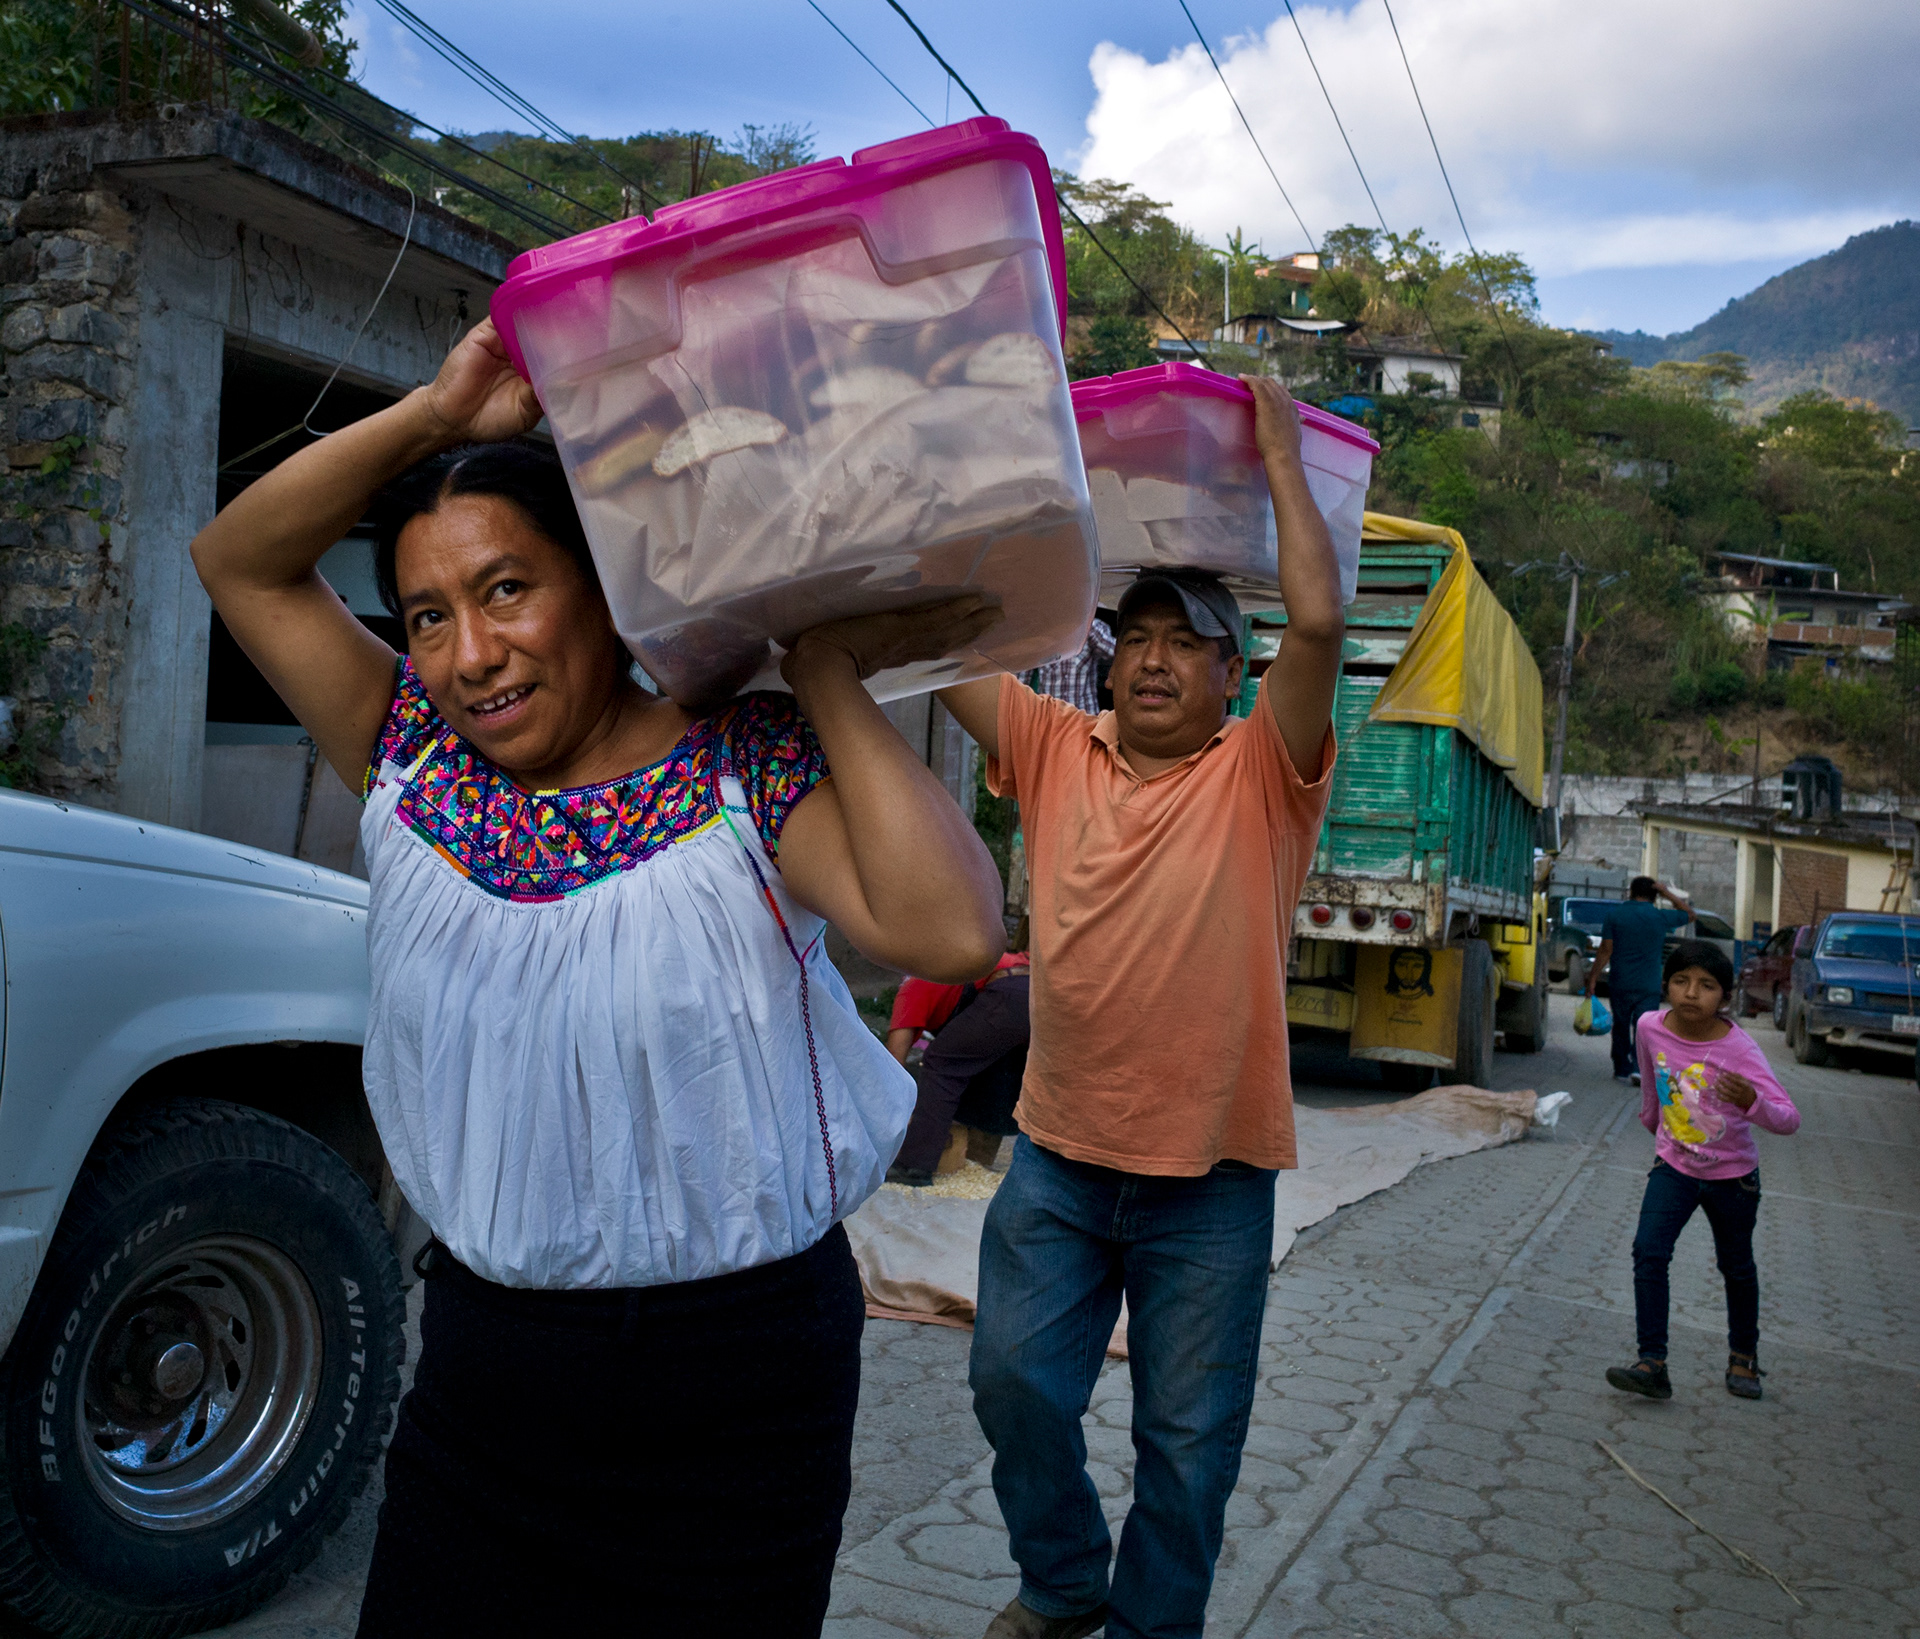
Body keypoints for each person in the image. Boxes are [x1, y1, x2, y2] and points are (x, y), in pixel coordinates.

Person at [188, 318, 1008, 1638]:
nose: (470, 653)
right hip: (487, 1371)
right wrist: (436, 417)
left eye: (508, 589)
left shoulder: (740, 764)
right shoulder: (409, 754)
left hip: (736, 1389)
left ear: (602, 587)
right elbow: (237, 557)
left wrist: (826, 672)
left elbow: (954, 931)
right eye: (428, 616)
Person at [933, 375, 1344, 1639]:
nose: (1152, 658)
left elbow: (1320, 621)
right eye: (1136, 636)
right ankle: (1064, 1582)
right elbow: (943, 650)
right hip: (1058, 1158)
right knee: (1012, 1383)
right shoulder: (1055, 746)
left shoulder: (1263, 771)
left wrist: (1282, 456)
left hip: (1211, 1178)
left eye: (1185, 640)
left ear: (1233, 671)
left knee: (1189, 1443)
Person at [1607, 940, 1799, 1402]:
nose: (1692, 993)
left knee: (1736, 1266)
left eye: (1706, 985)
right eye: (1681, 981)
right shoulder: (1649, 1026)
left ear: (1725, 997)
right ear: (1666, 986)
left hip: (1733, 1179)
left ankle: (1743, 1357)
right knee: (1649, 1251)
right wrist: (1654, 1124)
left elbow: (1789, 1119)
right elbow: (1652, 1082)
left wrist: (1750, 1102)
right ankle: (1652, 1363)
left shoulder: (1740, 1049)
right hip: (1673, 1168)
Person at [885, 951, 1032, 1185]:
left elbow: (893, 1061)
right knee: (994, 1066)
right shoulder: (942, 967)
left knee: (941, 1062)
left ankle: (913, 1166)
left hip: (1011, 990)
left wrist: (891, 1111)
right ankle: (983, 1151)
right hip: (1044, 992)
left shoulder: (911, 989)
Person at [1586, 876, 1696, 1082]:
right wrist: (1666, 893)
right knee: (1644, 1027)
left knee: (1620, 1025)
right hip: (1649, 984)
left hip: (1620, 981)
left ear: (1631, 892)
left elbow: (1606, 949)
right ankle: (1639, 1067)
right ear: (1654, 895)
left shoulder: (1615, 915)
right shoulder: (1660, 916)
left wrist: (1593, 978)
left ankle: (1621, 1068)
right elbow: (1690, 914)